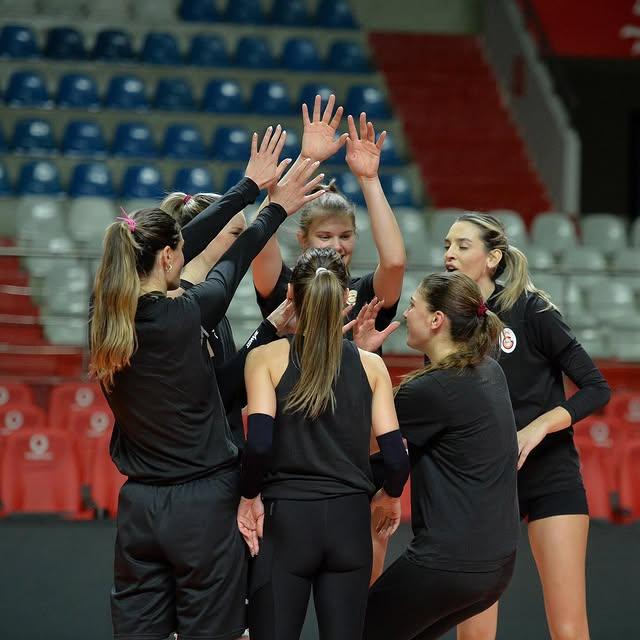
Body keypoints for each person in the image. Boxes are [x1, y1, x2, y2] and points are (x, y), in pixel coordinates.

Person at [89, 124, 327, 640]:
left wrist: (246, 187)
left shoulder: (104, 314)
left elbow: (177, 248)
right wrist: (273, 204)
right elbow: (228, 261)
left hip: (139, 509)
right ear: (171, 258)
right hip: (201, 505)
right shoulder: (185, 315)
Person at [443, 213, 611, 640]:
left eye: (463, 245)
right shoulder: (442, 320)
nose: (449, 254)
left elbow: (595, 388)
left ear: (493, 257)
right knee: (475, 632)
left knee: (569, 628)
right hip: (484, 483)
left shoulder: (531, 308)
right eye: (447, 245)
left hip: (550, 474)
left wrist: (538, 428)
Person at [237, 247, 410, 640]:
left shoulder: (265, 358)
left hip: (287, 524)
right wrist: (388, 496)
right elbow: (397, 458)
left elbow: (259, 446)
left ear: (291, 297)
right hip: (350, 525)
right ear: (347, 299)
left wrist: (249, 496)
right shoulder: (372, 365)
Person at [364, 271, 520, 640]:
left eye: (414, 305)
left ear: (436, 320)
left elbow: (363, 444)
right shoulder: (489, 370)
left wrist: (363, 360)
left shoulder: (432, 390)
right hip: (497, 568)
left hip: (449, 565)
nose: (405, 314)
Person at [252, 96, 406, 344]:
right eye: (324, 236)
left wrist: (369, 179)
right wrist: (306, 159)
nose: (336, 246)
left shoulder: (366, 293)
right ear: (303, 238)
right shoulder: (284, 288)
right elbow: (258, 237)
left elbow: (395, 263)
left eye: (345, 236)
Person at [161, 191, 295, 452]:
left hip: (221, 462)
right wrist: (268, 330)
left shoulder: (212, 304)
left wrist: (271, 330)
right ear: (207, 232)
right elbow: (214, 397)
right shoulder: (180, 305)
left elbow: (229, 393)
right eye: (237, 235)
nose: (244, 245)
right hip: (198, 467)